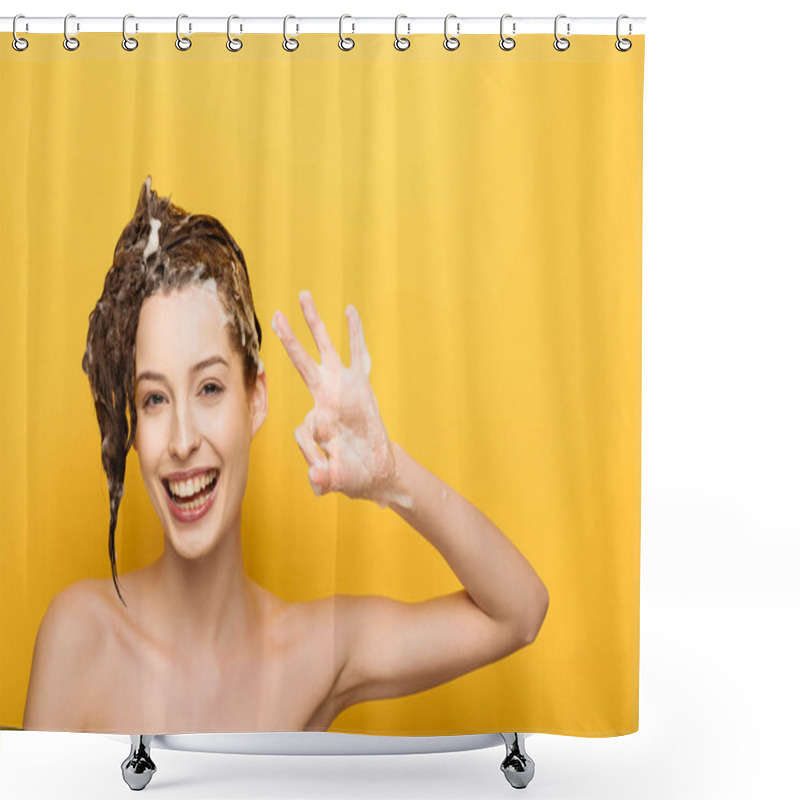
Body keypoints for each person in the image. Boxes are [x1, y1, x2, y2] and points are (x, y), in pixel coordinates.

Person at [23, 177, 549, 734]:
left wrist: (391, 475)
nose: (181, 441)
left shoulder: (315, 655)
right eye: (154, 399)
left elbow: (518, 612)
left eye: (209, 388)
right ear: (133, 429)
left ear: (257, 399)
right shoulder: (79, 638)